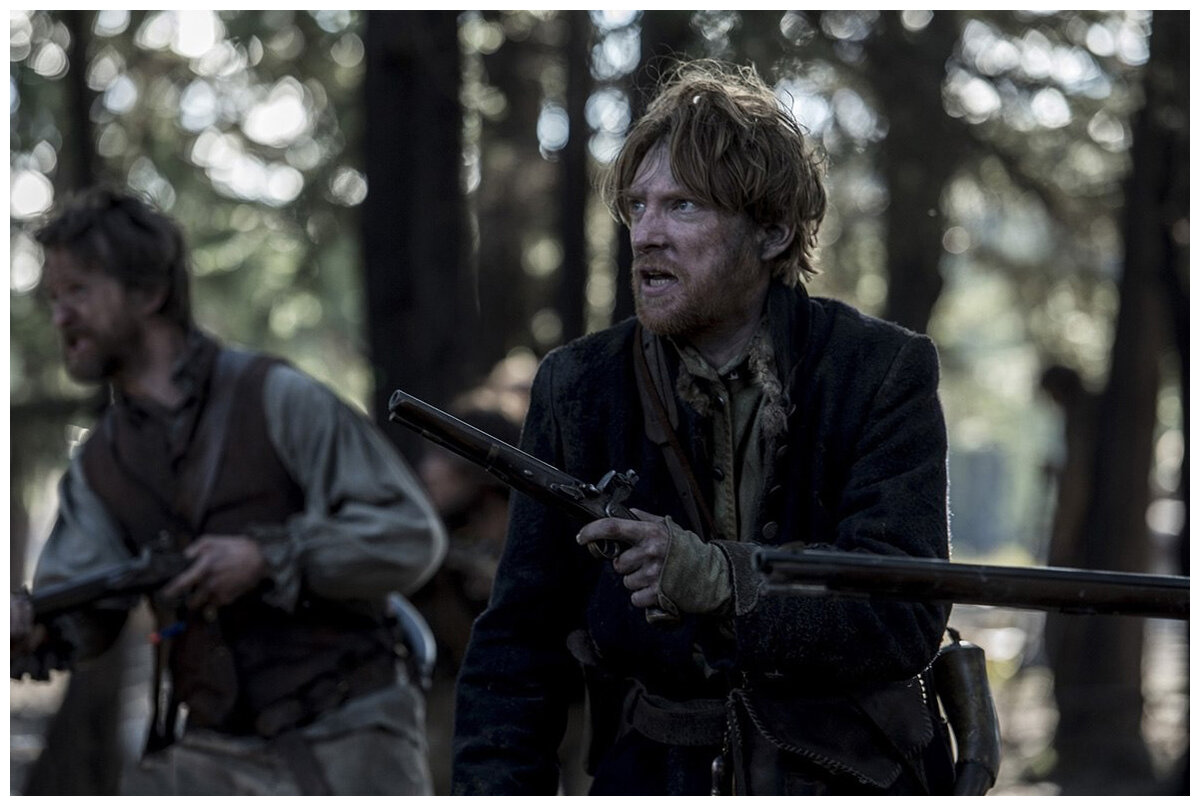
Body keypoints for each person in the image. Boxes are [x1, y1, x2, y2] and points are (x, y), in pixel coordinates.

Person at [451, 59, 957, 795]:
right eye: (638, 206)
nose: (646, 235)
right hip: (651, 773)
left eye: (683, 206)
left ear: (772, 231)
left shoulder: (878, 370)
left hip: (843, 772)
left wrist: (724, 581)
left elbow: (903, 617)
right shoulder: (581, 384)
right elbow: (519, 644)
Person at [10, 187, 447, 795]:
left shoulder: (275, 398)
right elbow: (81, 609)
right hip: (214, 754)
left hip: (353, 736)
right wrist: (37, 629)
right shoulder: (99, 467)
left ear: (149, 293)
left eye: (78, 291)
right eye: (54, 298)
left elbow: (410, 535)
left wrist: (269, 556)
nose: (59, 316)